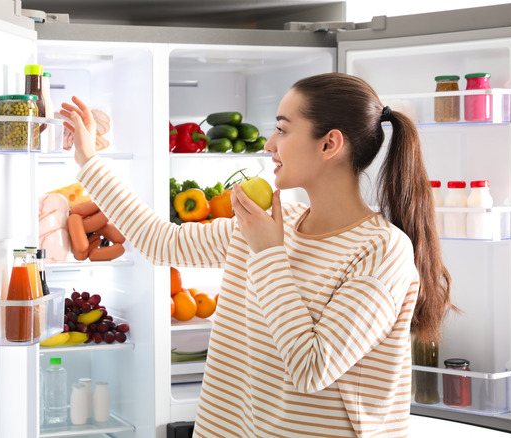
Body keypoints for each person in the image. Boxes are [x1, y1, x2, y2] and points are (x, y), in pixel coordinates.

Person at [60, 72, 453, 437]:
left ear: (329, 143)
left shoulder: (381, 252)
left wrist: (268, 252)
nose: (269, 144)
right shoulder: (273, 224)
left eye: (282, 129)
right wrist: (88, 160)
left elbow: (310, 368)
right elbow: (160, 242)